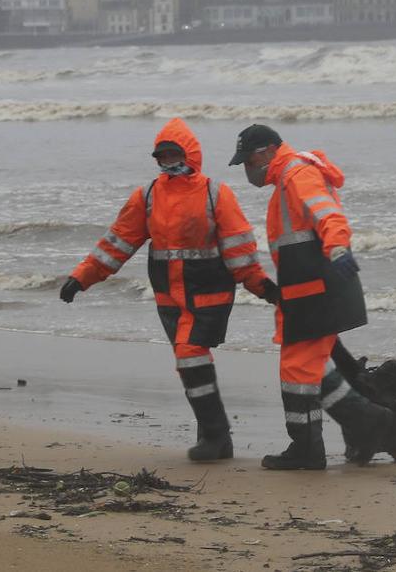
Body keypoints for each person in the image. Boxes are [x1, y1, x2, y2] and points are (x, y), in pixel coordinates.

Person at [60, 118, 277, 462]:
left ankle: (217, 436)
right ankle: (212, 436)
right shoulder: (147, 195)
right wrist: (82, 277)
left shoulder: (215, 193)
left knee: (190, 355)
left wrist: (260, 285)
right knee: (188, 361)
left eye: (174, 154)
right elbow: (117, 243)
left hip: (209, 294)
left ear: (190, 155)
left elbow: (239, 247)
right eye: (162, 156)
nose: (168, 161)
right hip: (169, 299)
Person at [229, 124, 392, 470]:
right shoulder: (287, 181)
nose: (247, 170)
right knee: (314, 368)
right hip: (310, 293)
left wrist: (337, 249)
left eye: (247, 162)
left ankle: (307, 448)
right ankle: (366, 419)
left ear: (266, 152)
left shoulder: (297, 175)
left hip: (317, 292)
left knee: (297, 370)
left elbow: (328, 215)